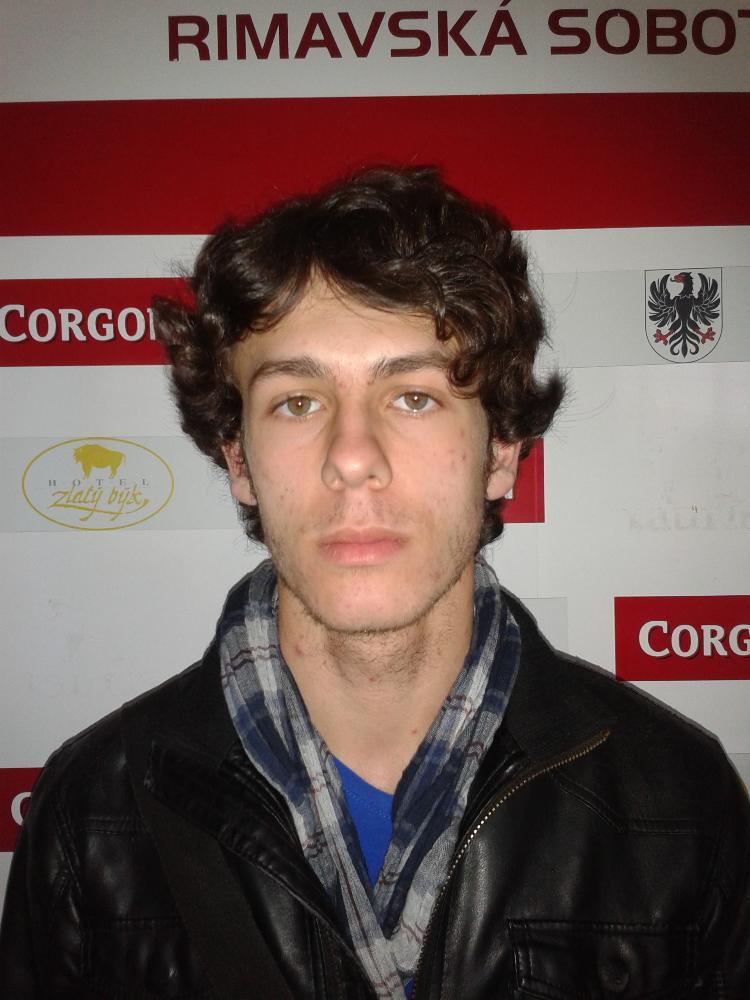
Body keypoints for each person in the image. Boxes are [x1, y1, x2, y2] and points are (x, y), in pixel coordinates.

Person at [1, 167, 748, 999]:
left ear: (501, 451)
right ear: (239, 460)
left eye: (414, 397)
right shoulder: (90, 816)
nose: (352, 457)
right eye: (297, 402)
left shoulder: (678, 806)